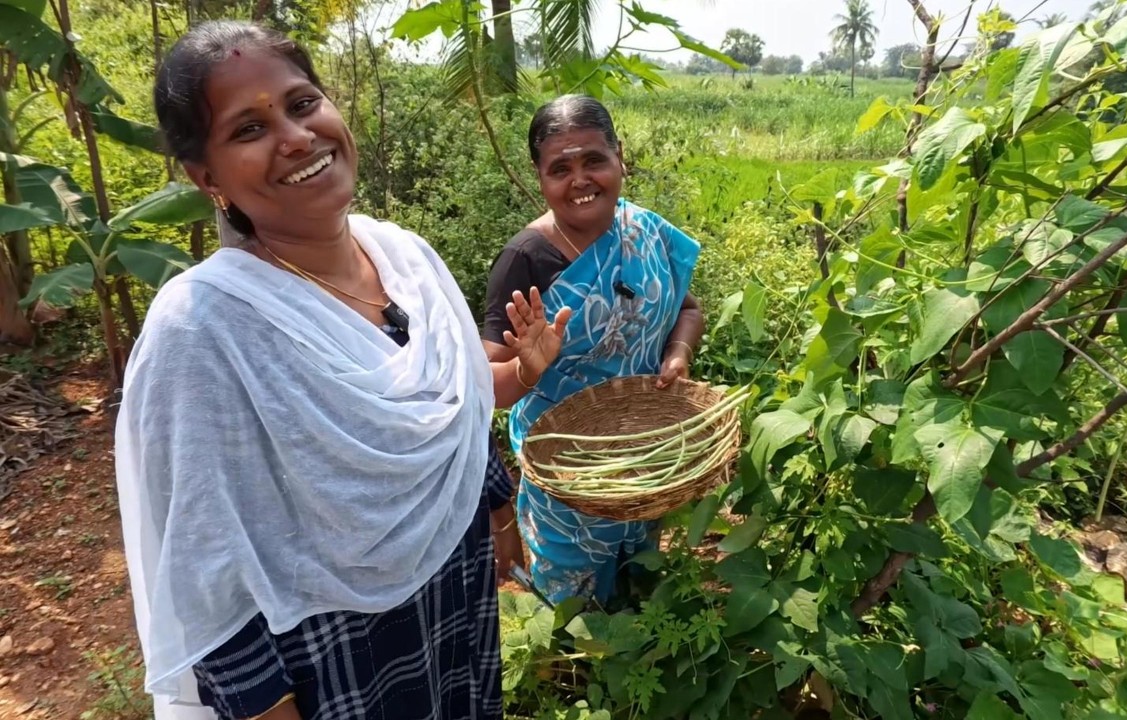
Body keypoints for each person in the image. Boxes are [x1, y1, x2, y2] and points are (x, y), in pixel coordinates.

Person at [116, 20, 569, 720]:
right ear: (205, 177)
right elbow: (209, 573)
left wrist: (518, 396)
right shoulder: (203, 328)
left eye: (301, 104)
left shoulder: (407, 260)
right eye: (247, 130)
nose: (295, 138)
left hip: (455, 602)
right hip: (330, 653)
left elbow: (452, 413)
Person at [483, 95, 705, 606]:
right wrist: (527, 365)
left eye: (593, 160)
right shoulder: (526, 260)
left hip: (644, 458)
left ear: (619, 156)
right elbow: (489, 381)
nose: (580, 180)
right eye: (560, 168)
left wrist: (676, 354)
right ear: (540, 178)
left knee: (641, 584)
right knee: (575, 612)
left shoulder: (644, 232)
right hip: (567, 473)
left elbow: (688, 309)